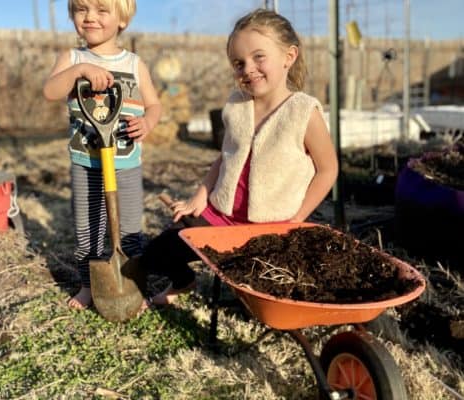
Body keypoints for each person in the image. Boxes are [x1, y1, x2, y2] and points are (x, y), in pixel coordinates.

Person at [139, 8, 338, 309]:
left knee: (262, 299)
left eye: (259, 57)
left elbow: (327, 169)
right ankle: (183, 282)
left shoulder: (302, 112)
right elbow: (226, 157)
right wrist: (200, 196)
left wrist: (297, 219)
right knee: (158, 252)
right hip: (223, 217)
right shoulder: (237, 106)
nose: (248, 69)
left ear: (289, 56)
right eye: (239, 63)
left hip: (271, 226)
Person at [43, 0, 161, 309]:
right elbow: (50, 91)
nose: (90, 17)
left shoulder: (135, 64)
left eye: (101, 10)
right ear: (72, 15)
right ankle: (88, 284)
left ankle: (134, 284)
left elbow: (155, 105)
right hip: (86, 162)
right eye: (81, 9)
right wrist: (80, 70)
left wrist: (148, 122)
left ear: (122, 19)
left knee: (130, 228)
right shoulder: (72, 58)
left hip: (127, 163)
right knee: (88, 228)